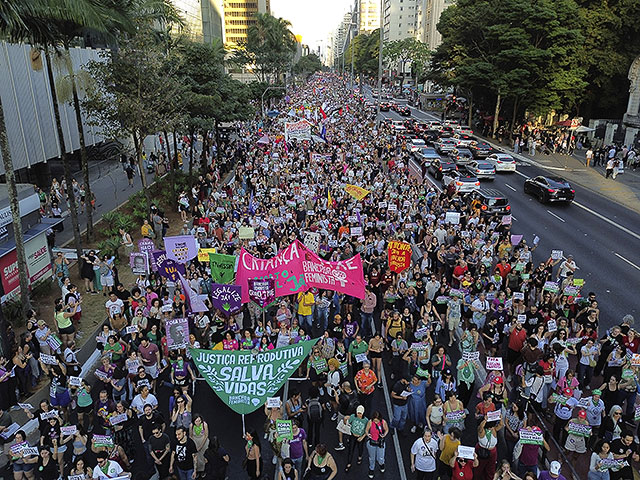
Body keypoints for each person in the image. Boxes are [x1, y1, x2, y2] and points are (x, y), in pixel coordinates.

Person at [343, 405, 368, 472]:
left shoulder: (366, 420)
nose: (359, 415)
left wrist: (362, 437)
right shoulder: (353, 417)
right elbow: (347, 421)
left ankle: (360, 456)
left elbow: (367, 430)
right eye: (358, 413)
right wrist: (345, 420)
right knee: (350, 450)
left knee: (360, 448)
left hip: (360, 437)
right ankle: (349, 463)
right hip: (353, 436)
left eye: (360, 413)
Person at [365, 411, 388, 478]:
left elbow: (386, 429)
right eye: (374, 421)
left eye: (377, 421)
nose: (376, 422)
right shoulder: (370, 422)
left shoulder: (383, 422)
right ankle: (371, 469)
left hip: (380, 442)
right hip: (372, 442)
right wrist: (368, 434)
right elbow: (366, 430)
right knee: (372, 458)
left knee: (380, 457)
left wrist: (384, 435)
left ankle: (381, 463)